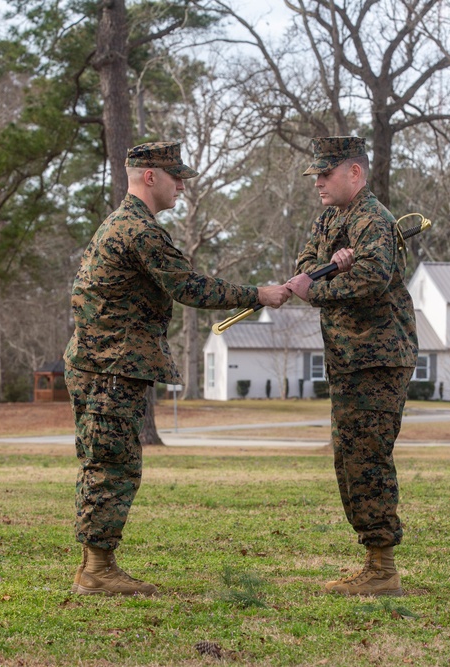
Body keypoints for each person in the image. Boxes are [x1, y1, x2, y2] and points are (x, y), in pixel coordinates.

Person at [65, 141, 290, 596]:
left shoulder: (121, 224)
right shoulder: (138, 230)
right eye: (176, 176)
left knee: (105, 462)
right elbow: (188, 286)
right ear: (150, 176)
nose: (182, 185)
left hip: (103, 362)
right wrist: (259, 294)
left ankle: (96, 563)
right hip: (111, 365)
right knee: (113, 465)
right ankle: (97, 570)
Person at [286, 136, 418, 596]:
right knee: (348, 458)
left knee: (368, 457)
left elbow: (370, 278)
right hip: (347, 359)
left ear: (355, 173)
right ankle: (373, 561)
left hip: (378, 358)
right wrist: (327, 265)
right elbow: (304, 263)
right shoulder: (330, 219)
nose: (318, 182)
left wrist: (321, 284)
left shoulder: (373, 221)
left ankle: (383, 569)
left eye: (326, 173)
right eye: (316, 175)